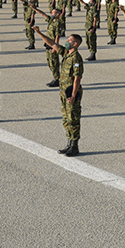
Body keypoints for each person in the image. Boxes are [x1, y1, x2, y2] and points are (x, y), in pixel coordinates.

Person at [35, 27, 84, 155]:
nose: (67, 41)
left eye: (70, 40)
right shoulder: (66, 53)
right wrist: (39, 33)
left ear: (75, 44)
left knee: (73, 118)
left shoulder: (76, 58)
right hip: (63, 91)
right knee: (66, 118)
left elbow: (77, 78)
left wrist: (73, 95)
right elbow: (52, 43)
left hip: (71, 92)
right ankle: (69, 143)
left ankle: (74, 146)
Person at [31, 4, 65, 87]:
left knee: (54, 62)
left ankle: (56, 79)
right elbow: (43, 14)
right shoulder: (51, 20)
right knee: (50, 62)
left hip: (53, 44)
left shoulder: (58, 23)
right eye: (52, 12)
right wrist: (34, 8)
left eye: (54, 13)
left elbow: (57, 36)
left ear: (58, 14)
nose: (52, 14)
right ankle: (55, 77)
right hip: (48, 43)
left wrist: (55, 47)